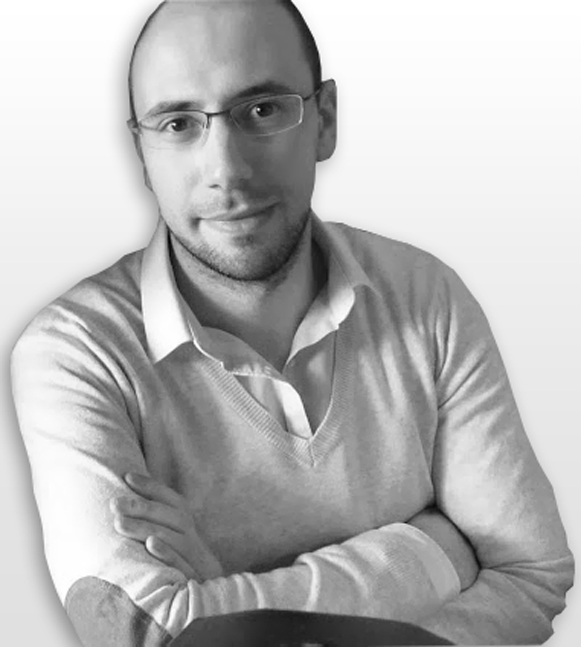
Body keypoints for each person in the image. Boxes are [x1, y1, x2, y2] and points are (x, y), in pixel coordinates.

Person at [10, 0, 574, 645]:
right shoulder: (77, 352)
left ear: (324, 120)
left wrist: (230, 605)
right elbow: (140, 632)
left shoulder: (426, 297)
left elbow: (532, 573)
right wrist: (432, 551)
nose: (226, 170)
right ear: (141, 150)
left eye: (262, 110)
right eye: (178, 123)